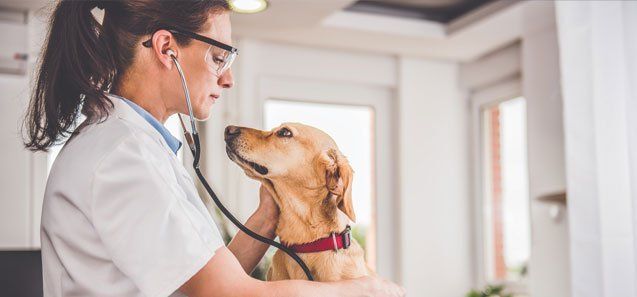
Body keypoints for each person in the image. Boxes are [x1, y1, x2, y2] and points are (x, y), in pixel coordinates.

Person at [23, 1, 406, 296]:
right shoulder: (122, 158)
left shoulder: (135, 148)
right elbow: (229, 293)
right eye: (219, 57)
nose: (228, 79)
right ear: (166, 48)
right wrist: (366, 288)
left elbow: (201, 279)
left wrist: (266, 217)